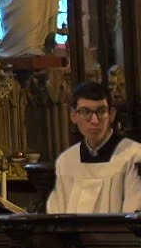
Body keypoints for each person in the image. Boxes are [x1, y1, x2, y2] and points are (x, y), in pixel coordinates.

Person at [46, 81, 141, 214]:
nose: (95, 120)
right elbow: (57, 217)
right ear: (73, 116)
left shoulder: (133, 155)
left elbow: (134, 218)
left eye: (101, 111)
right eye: (86, 112)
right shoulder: (67, 161)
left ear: (112, 115)